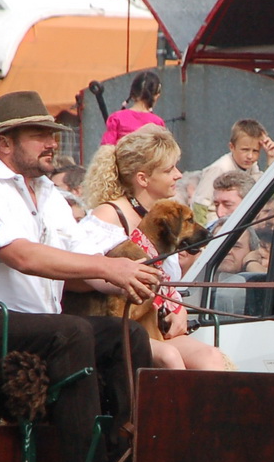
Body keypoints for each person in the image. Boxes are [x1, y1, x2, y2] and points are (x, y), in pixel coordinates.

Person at [0, 91, 158, 462]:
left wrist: (133, 280)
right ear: (5, 143)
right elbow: (22, 256)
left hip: (30, 323)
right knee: (71, 332)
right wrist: (110, 268)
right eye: (39, 135)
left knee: (128, 335)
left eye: (52, 134)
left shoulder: (49, 193)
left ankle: (126, 459)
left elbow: (81, 261)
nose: (53, 142)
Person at [80, 128, 229, 371]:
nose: (178, 175)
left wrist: (178, 309)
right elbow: (78, 274)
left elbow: (166, 284)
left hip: (153, 324)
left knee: (211, 357)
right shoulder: (109, 216)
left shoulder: (163, 217)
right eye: (169, 170)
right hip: (117, 326)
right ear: (143, 178)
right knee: (169, 357)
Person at [191, 118, 274, 215]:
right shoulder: (219, 168)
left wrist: (271, 158)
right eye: (245, 150)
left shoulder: (252, 166)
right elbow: (199, 205)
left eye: (255, 151)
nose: (250, 156)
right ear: (232, 147)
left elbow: (267, 194)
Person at [100, 70, 165, 146]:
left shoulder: (116, 118)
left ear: (133, 92)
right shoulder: (158, 123)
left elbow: (107, 147)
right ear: (156, 96)